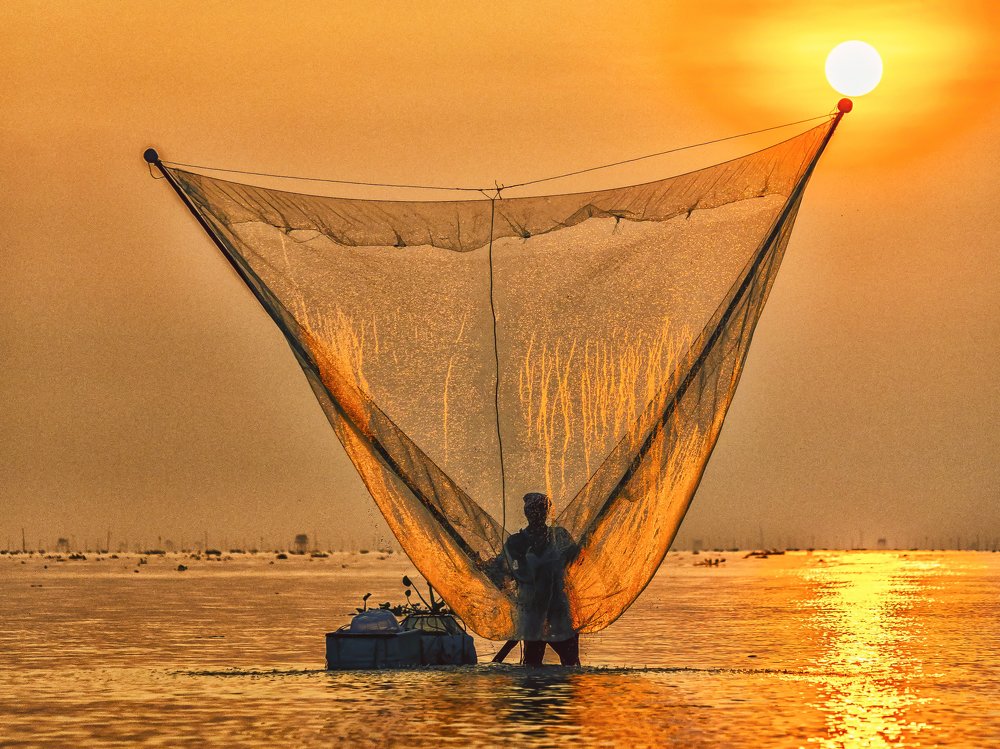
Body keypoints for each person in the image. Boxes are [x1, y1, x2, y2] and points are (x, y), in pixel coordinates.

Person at [494, 492, 581, 666]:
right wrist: (482, 566)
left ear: (547, 513)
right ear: (526, 513)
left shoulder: (559, 536)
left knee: (569, 661)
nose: (538, 514)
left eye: (542, 509)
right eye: (534, 510)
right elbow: (500, 569)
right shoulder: (517, 542)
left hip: (557, 608)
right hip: (532, 610)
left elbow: (576, 557)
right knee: (533, 662)